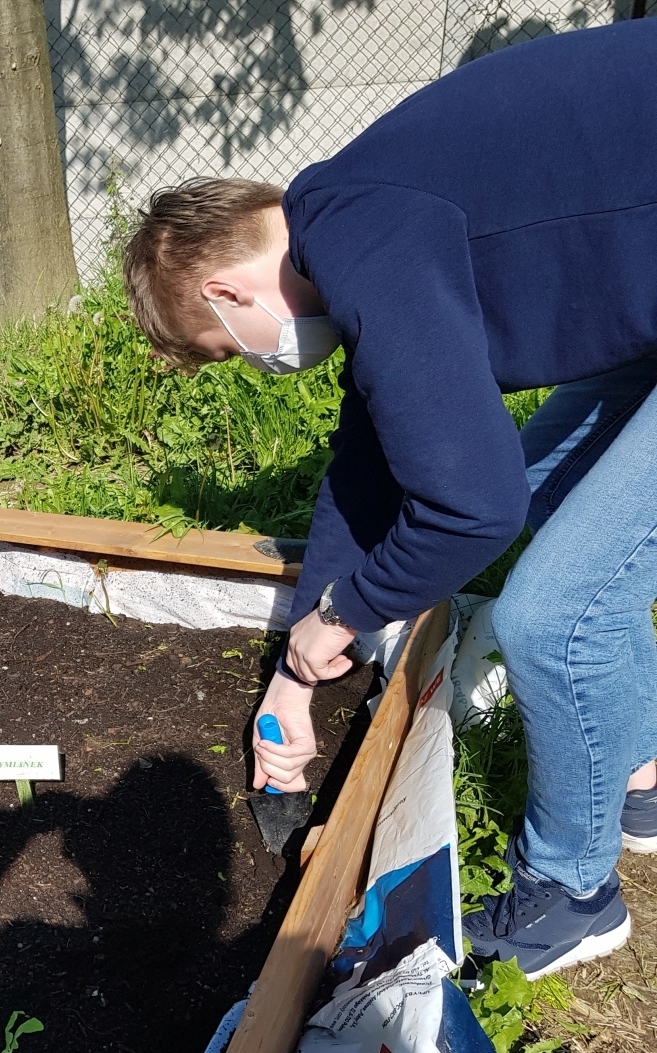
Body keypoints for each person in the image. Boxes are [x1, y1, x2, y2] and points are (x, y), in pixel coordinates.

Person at [119, 17, 657, 981]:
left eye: (222, 350)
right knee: (546, 499)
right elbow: (372, 464)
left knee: (555, 612)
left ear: (228, 292)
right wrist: (299, 667)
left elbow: (467, 509)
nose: (255, 365)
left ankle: (572, 894)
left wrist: (353, 611)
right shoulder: (358, 212)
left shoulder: (366, 238)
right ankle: (642, 770)